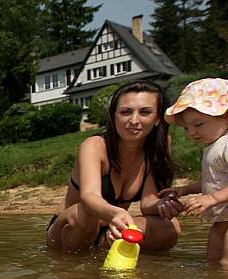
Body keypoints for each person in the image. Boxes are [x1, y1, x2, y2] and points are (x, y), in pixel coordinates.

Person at [46, 80, 184, 253]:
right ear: (114, 116)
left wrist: (163, 205)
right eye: (126, 112)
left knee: (170, 227)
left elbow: (148, 202)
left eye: (145, 112)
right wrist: (116, 214)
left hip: (113, 224)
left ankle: (104, 246)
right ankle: (73, 271)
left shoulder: (159, 146)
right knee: (85, 214)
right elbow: (89, 197)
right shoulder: (95, 146)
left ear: (157, 118)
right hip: (71, 228)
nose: (134, 120)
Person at [159, 78, 228, 267]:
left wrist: (212, 198)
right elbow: (213, 180)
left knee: (225, 264)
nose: (191, 133)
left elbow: (215, 190)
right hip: (222, 219)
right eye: (186, 128)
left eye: (198, 124)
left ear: (226, 116)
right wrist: (185, 190)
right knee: (212, 261)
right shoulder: (212, 146)